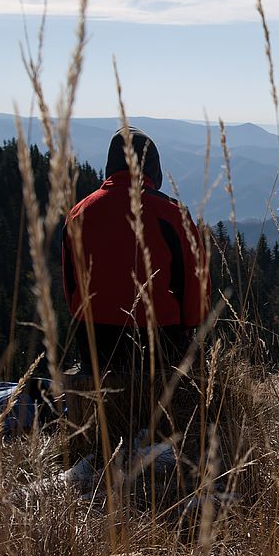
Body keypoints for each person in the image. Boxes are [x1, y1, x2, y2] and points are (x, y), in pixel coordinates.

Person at [62, 126, 210, 375]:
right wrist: (189, 326)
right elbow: (196, 287)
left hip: (93, 341)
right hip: (159, 340)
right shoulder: (172, 215)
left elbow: (71, 286)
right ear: (153, 168)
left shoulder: (78, 214)